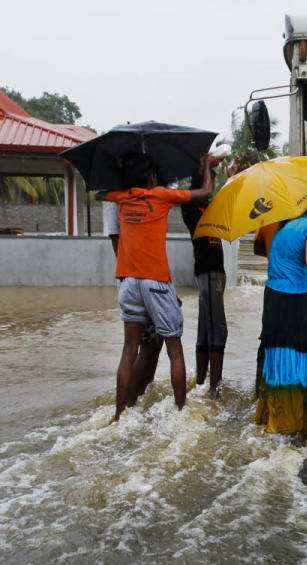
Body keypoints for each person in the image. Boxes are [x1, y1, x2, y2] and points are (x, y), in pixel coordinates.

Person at [98, 152, 214, 422]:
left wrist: (123, 185)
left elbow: (99, 195)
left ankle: (118, 414)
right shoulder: (161, 195)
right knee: (174, 348)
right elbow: (206, 191)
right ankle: (181, 413)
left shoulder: (120, 198)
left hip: (127, 281)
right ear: (152, 178)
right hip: (156, 282)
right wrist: (206, 165)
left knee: (129, 352)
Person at [255, 198, 307, 446]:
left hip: (273, 299)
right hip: (298, 300)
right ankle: (297, 432)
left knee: (278, 359)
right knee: (300, 361)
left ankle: (274, 421)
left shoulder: (282, 229)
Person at [103, 199, 162, 403]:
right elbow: (117, 242)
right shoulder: (119, 201)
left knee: (147, 344)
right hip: (139, 280)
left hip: (136, 280)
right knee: (145, 345)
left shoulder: (124, 197)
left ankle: (137, 399)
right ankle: (130, 402)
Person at [181, 162, 226, 398]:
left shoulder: (209, 207)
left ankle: (201, 385)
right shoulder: (190, 205)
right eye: (211, 178)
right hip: (207, 272)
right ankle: (213, 390)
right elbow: (206, 190)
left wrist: (232, 176)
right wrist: (205, 166)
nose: (213, 183)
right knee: (217, 330)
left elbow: (227, 202)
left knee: (207, 329)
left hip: (215, 273)